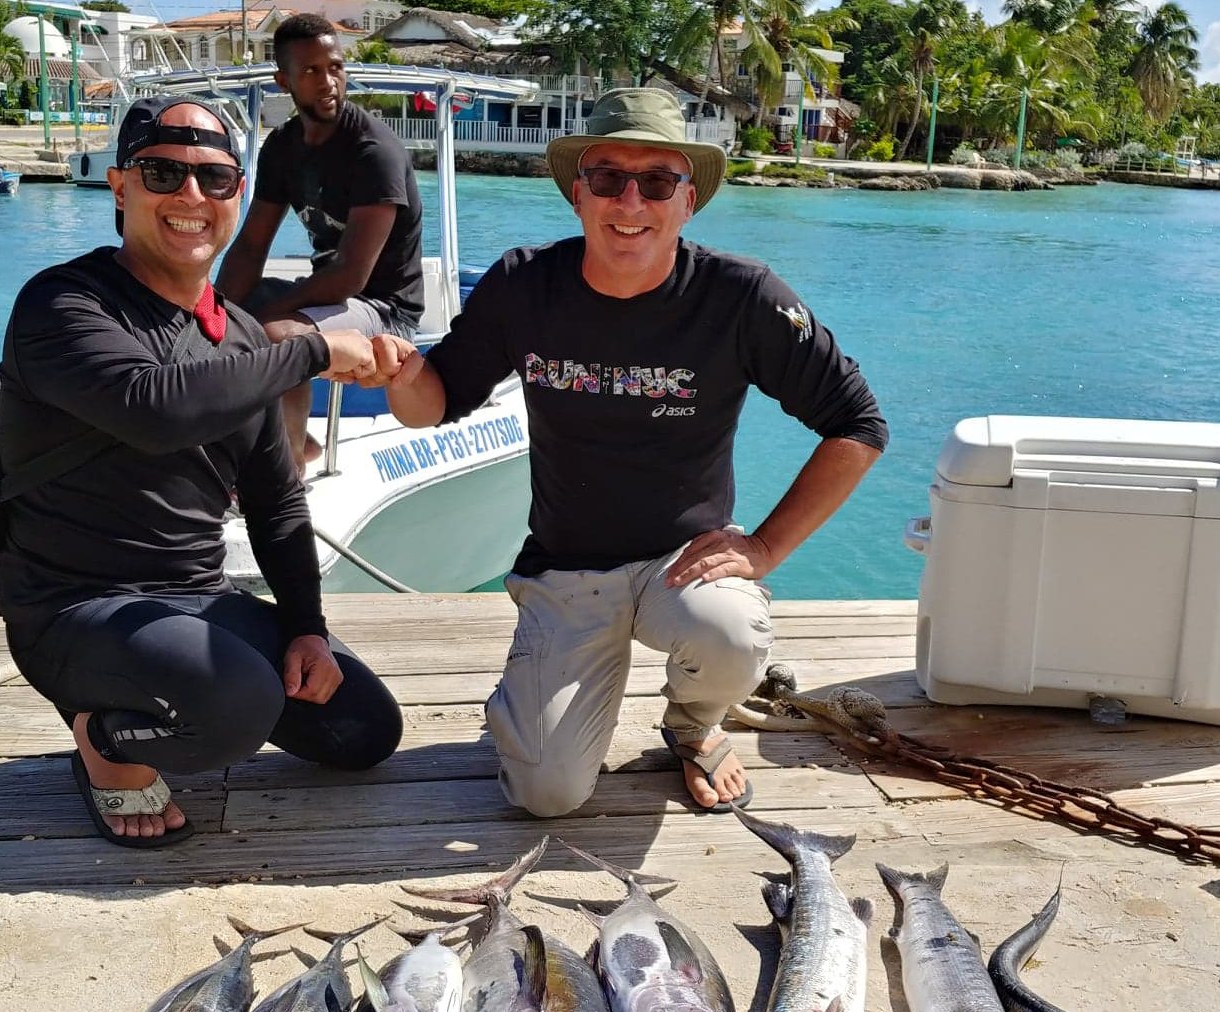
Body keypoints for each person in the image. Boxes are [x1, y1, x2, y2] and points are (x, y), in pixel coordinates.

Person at [360, 88, 888, 818]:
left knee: (734, 633)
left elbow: (857, 424)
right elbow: (436, 402)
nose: (630, 200)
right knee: (546, 793)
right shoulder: (523, 285)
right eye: (608, 178)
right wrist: (399, 374)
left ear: (688, 199)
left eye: (657, 181)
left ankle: (694, 726)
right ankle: (535, 703)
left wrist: (764, 546)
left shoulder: (742, 297)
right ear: (579, 195)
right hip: (566, 570)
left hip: (684, 568)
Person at [0, 95, 403, 846]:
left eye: (215, 180)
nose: (191, 197)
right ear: (120, 187)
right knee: (237, 707)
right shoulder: (64, 305)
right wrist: (313, 351)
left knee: (364, 730)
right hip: (74, 608)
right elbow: (157, 409)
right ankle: (105, 741)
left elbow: (278, 505)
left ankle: (187, 692)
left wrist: (307, 630)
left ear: (235, 198)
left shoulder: (239, 333)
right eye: (163, 173)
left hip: (194, 599)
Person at [215, 12, 424, 475]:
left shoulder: (374, 151)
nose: (328, 81)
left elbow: (352, 274)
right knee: (227, 320)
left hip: (384, 307)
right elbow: (251, 246)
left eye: (335, 67)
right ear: (283, 81)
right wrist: (210, 314)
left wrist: (264, 317)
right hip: (330, 295)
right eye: (310, 71)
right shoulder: (283, 148)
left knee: (274, 335)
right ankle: (298, 441)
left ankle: (287, 468)